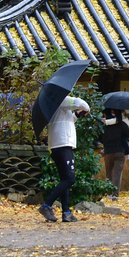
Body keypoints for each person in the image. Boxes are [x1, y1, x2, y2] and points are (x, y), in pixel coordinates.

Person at [40, 93, 89, 222]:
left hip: (56, 145)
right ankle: (47, 205)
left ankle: (66, 212)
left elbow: (65, 121)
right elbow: (82, 104)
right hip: (63, 144)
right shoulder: (61, 99)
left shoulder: (53, 104)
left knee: (65, 179)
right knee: (70, 179)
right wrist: (86, 109)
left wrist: (77, 115)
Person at [100, 109, 129, 198]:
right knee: (117, 173)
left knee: (109, 173)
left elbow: (99, 137)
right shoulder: (120, 123)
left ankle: (109, 193)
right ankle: (115, 194)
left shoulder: (103, 125)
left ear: (104, 114)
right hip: (119, 150)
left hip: (108, 151)